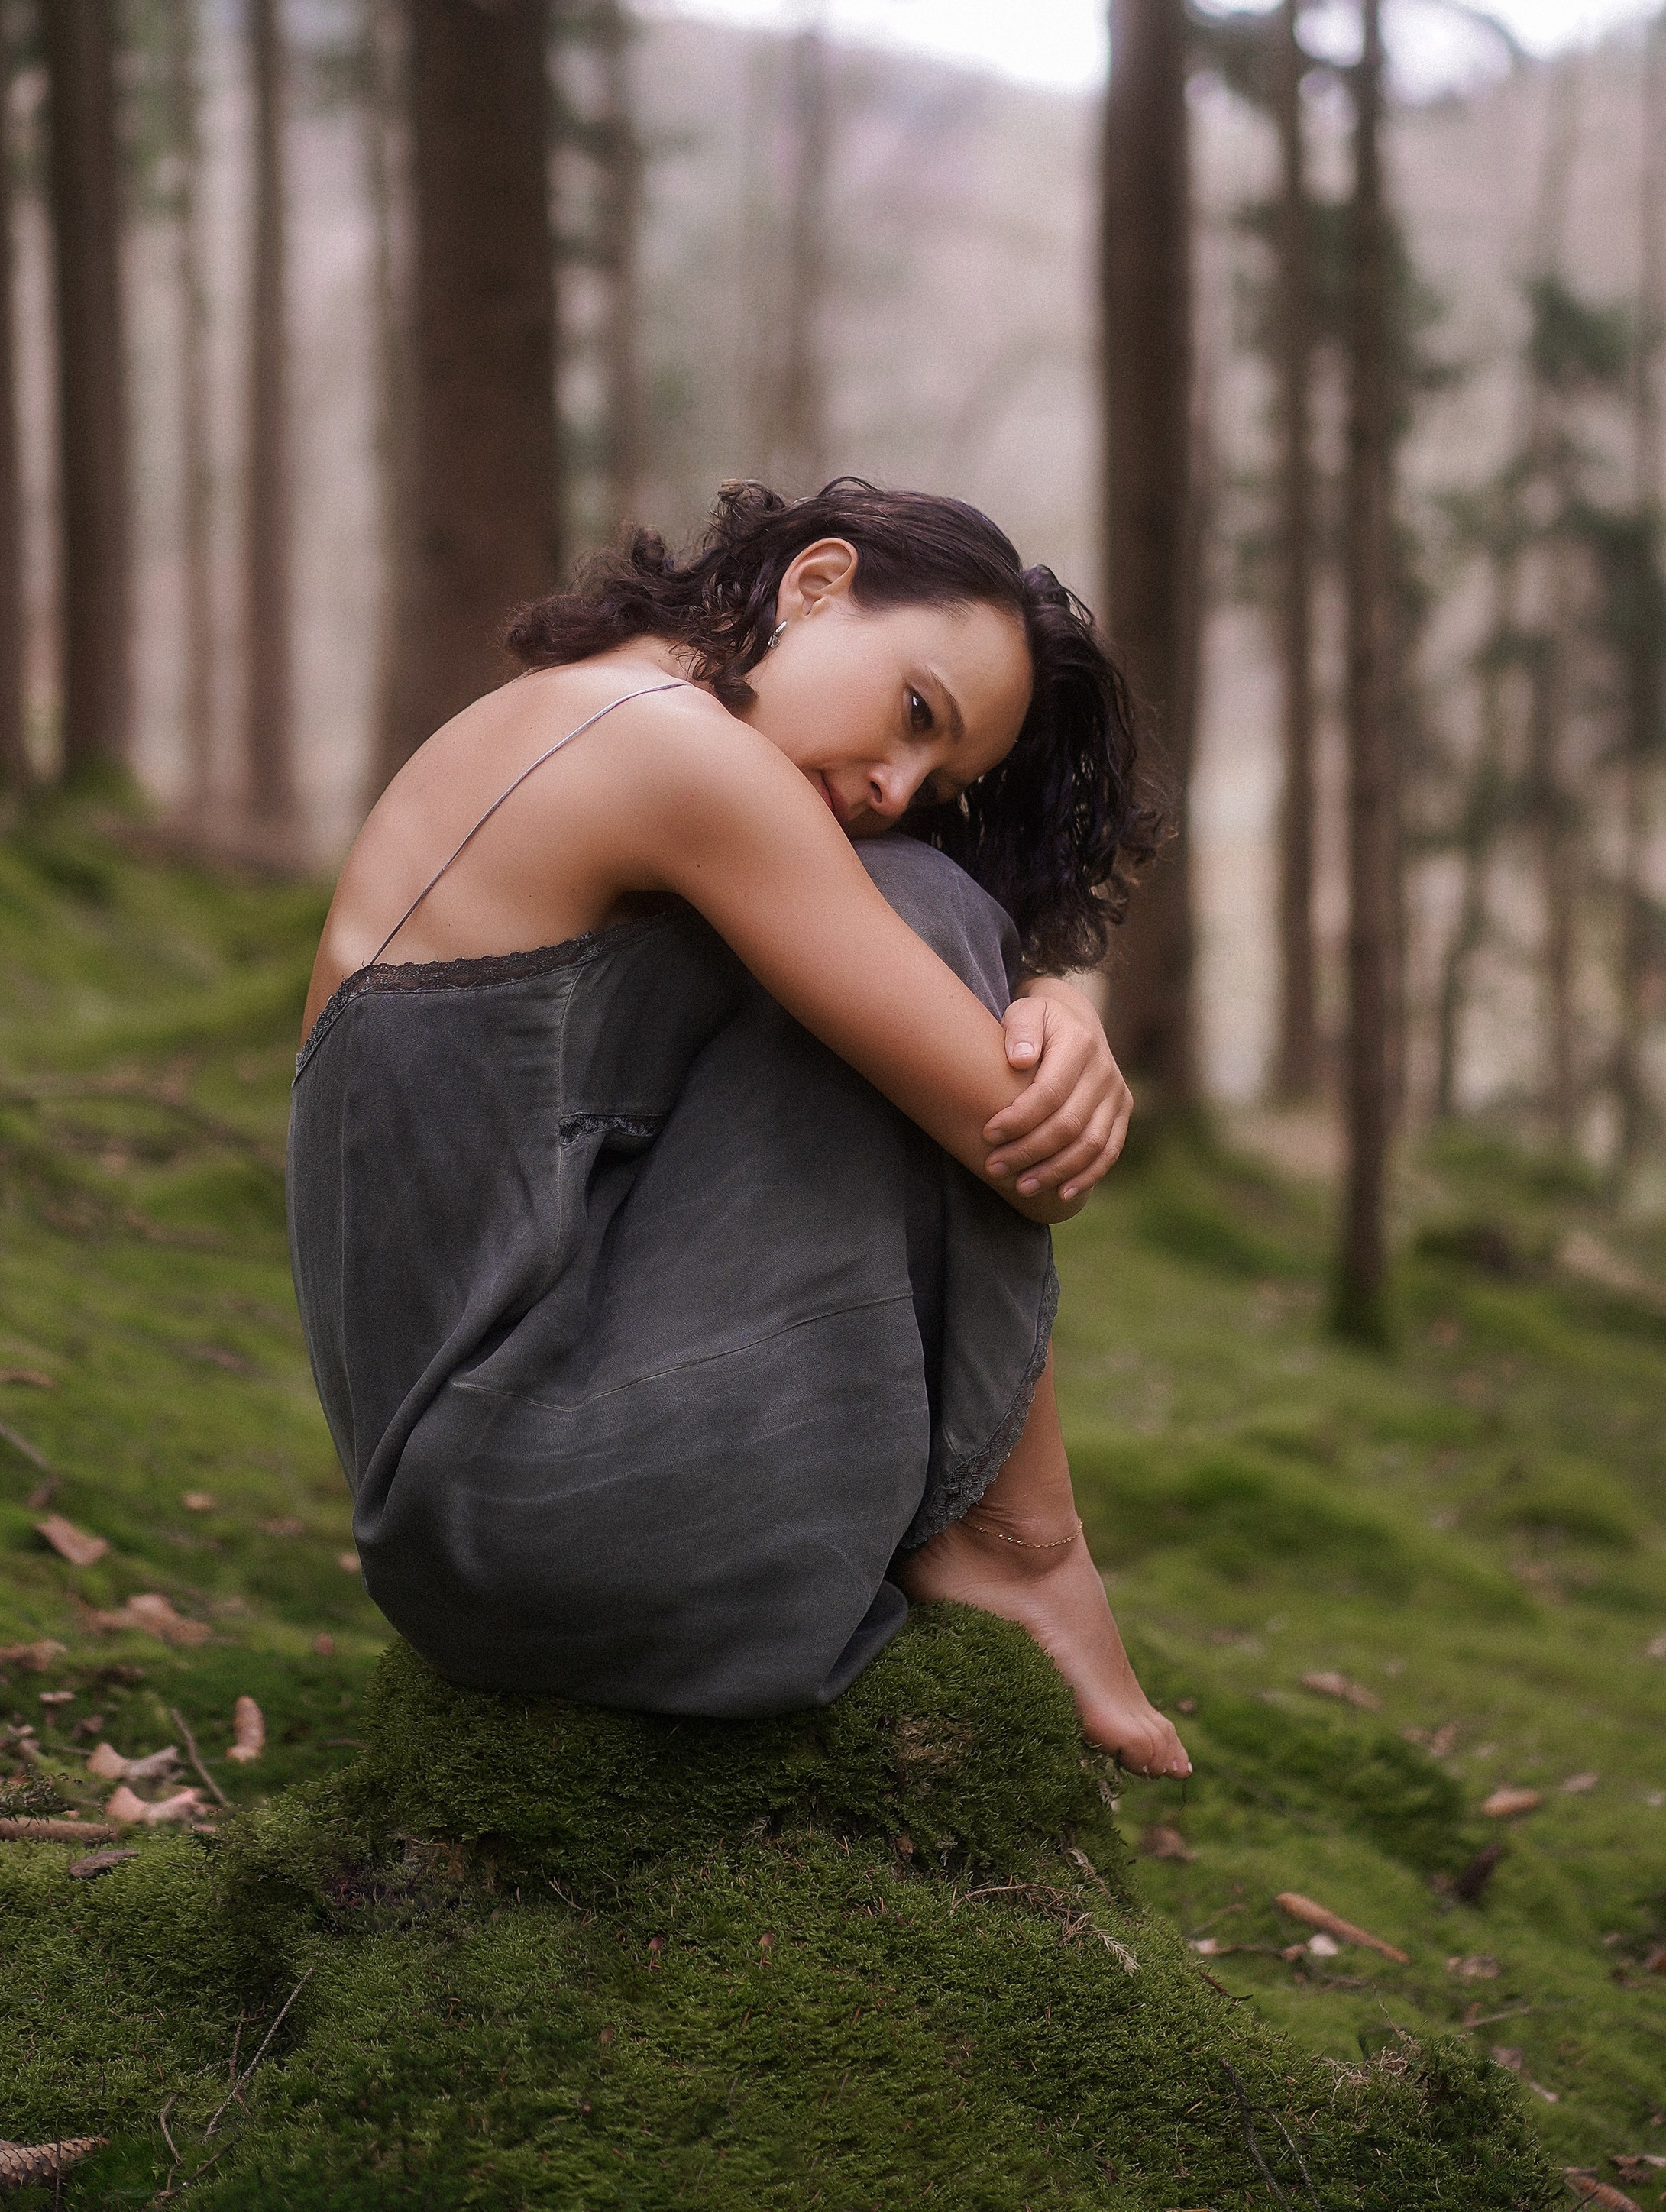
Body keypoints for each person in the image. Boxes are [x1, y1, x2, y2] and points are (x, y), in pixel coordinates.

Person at [290, 480, 1191, 1779]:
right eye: (916, 713)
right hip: (537, 1502)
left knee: (920, 906)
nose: (895, 784)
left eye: (939, 775)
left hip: (478, 1515)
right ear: (816, 584)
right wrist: (1060, 1011)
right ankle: (1023, 1545)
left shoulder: (587, 714)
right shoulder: (668, 748)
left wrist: (1054, 991)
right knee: (925, 899)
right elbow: (1025, 1147)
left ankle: (1009, 1547)